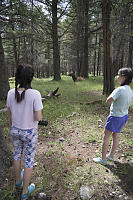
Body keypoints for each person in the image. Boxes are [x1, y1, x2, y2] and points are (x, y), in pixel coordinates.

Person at [6, 64, 43, 199]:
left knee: (16, 156)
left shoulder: (10, 93)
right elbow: (38, 118)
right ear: (31, 78)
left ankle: (18, 181)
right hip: (29, 133)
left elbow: (9, 116)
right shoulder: (35, 94)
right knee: (28, 160)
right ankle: (25, 192)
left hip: (15, 130)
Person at [93, 68, 133, 165]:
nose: (117, 77)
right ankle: (110, 156)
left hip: (115, 116)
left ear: (124, 77)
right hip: (124, 116)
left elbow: (108, 100)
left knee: (105, 137)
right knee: (115, 135)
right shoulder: (129, 90)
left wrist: (111, 96)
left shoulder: (119, 89)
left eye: (119, 75)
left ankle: (103, 159)